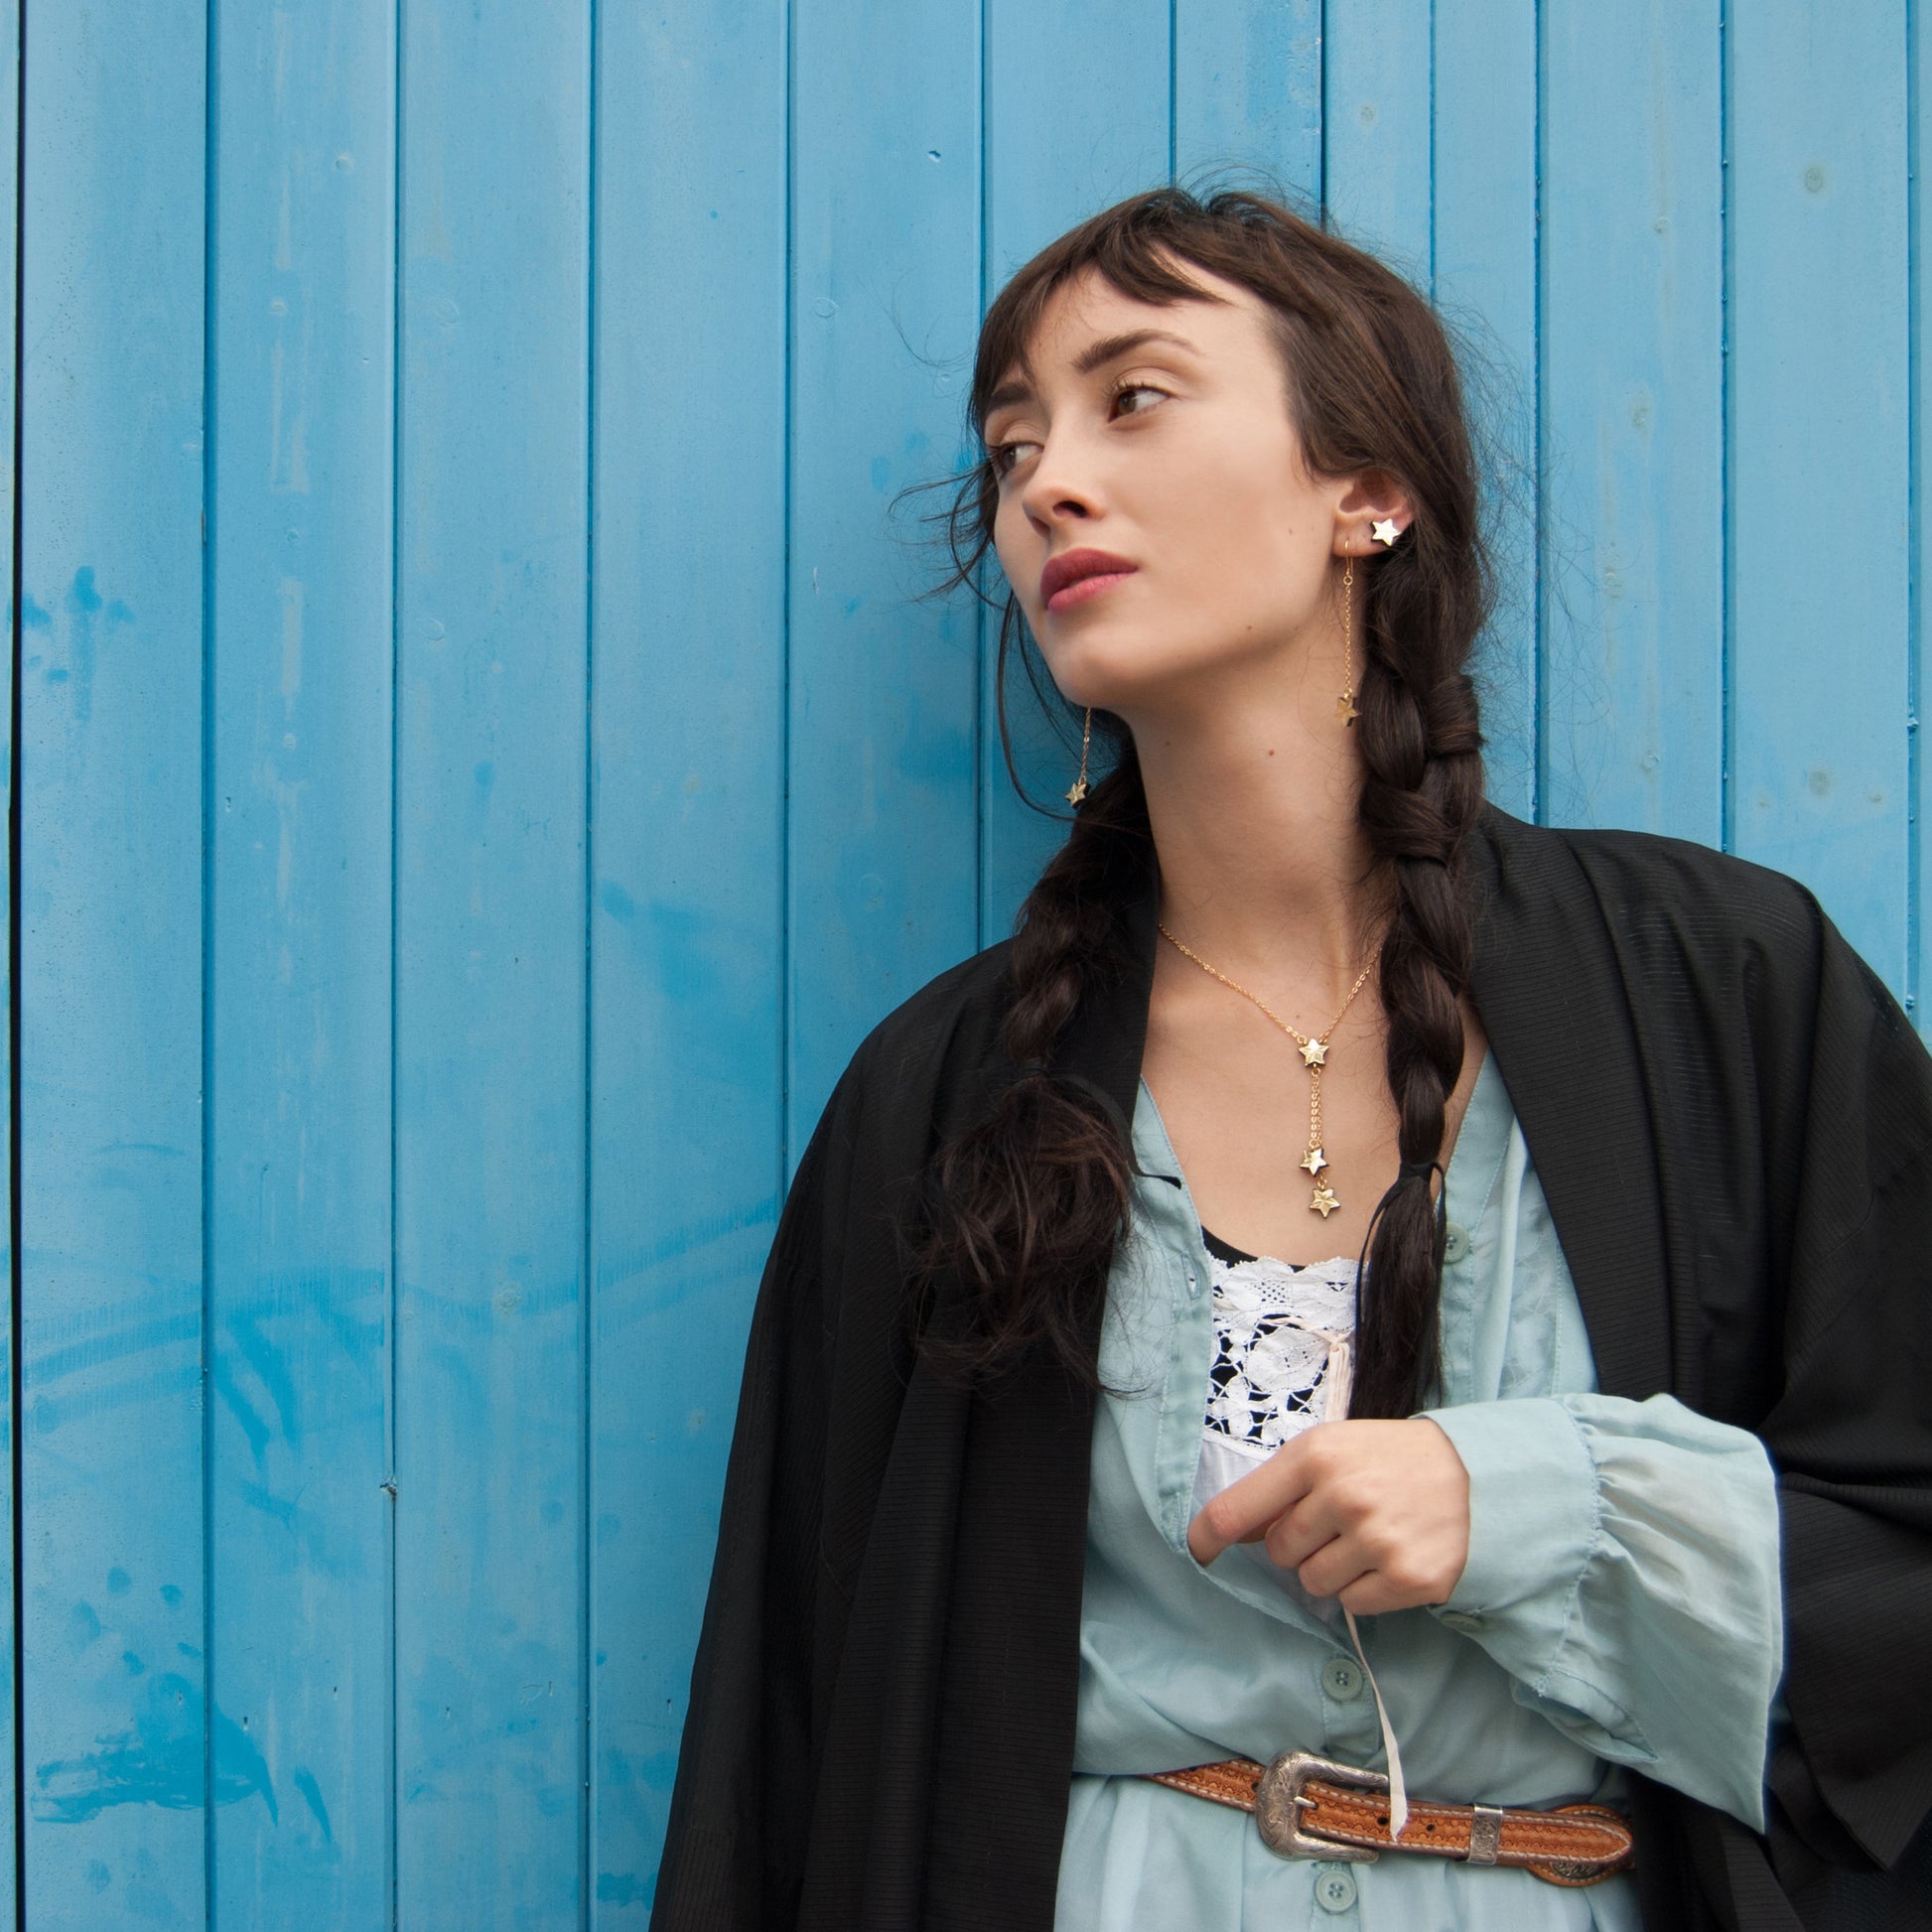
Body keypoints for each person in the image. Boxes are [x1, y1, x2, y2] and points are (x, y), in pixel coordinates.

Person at [651, 187, 1932, 1930]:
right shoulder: (942, 1095)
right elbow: (789, 1725)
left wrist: (1543, 1493)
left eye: (1135, 397)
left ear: (1368, 490)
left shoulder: (1720, 988)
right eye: (1013, 443)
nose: (1046, 482)